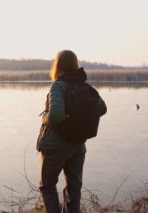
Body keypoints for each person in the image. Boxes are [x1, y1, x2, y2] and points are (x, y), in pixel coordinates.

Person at [37, 50, 107, 213]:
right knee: (73, 190)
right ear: (75, 64)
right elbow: (102, 109)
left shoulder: (58, 86)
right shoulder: (85, 86)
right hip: (78, 147)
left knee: (47, 187)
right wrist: (79, 118)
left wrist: (44, 117)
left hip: (55, 147)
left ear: (58, 65)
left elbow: (55, 116)